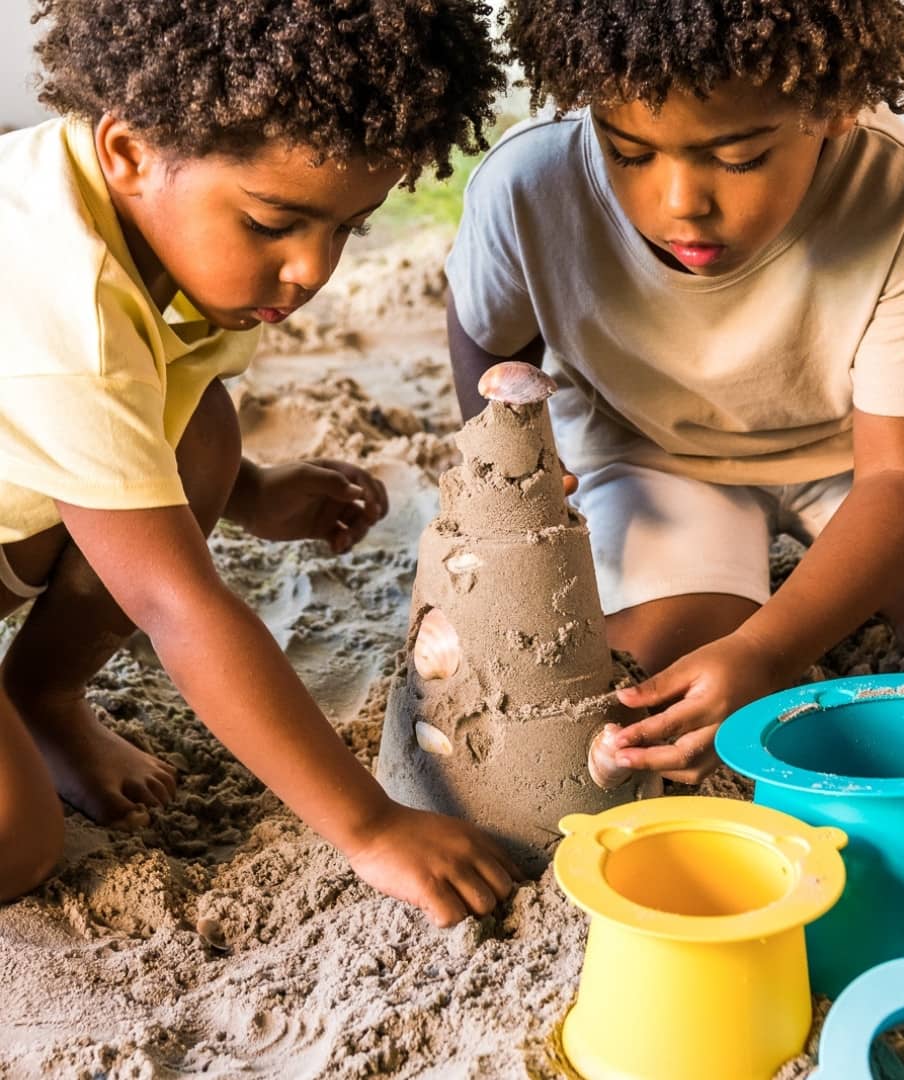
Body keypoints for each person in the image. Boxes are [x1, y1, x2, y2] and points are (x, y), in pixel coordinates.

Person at [446, 0, 904, 785]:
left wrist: (769, 647)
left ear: (834, 110)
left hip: (864, 449)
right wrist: (516, 480)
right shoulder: (528, 181)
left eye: (738, 157)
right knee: (649, 686)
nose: (680, 201)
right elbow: (487, 333)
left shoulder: (896, 193)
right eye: (629, 152)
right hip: (652, 455)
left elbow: (902, 477)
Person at [0, 0, 520, 926]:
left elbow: (154, 398)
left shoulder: (154, 220)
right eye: (273, 224)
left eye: (348, 228)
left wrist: (247, 492)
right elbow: (173, 602)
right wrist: (368, 826)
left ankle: (41, 696)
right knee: (14, 841)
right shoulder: (56, 299)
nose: (310, 270)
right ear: (128, 151)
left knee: (204, 437)